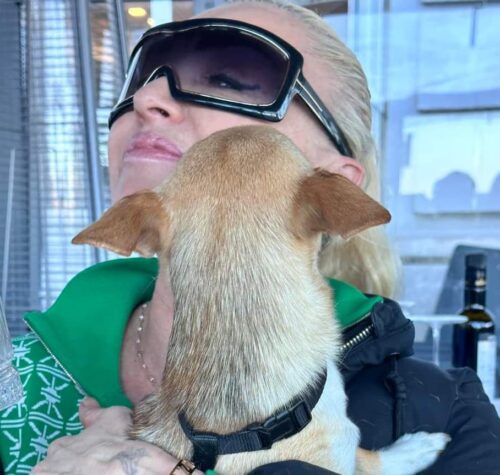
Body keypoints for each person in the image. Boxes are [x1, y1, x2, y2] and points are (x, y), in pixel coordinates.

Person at [1, 0, 499, 474]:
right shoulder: (14, 381)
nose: (149, 99)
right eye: (140, 79)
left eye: (230, 80)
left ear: (335, 187)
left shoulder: (442, 415)